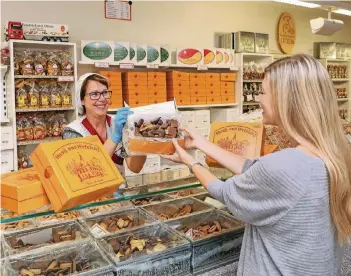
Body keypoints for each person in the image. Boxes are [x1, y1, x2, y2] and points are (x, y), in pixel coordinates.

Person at [161, 54, 351, 276]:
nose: (258, 99)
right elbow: (254, 169)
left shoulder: (286, 165)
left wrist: (190, 161)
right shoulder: (337, 150)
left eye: (262, 91)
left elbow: (224, 192)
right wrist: (202, 144)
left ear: (285, 98)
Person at [62, 73, 146, 174]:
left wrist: (140, 138)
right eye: (94, 94)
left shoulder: (119, 124)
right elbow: (88, 170)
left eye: (105, 92)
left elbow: (135, 168)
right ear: (82, 100)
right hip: (91, 189)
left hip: (119, 188)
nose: (102, 99)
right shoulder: (72, 132)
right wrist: (114, 137)